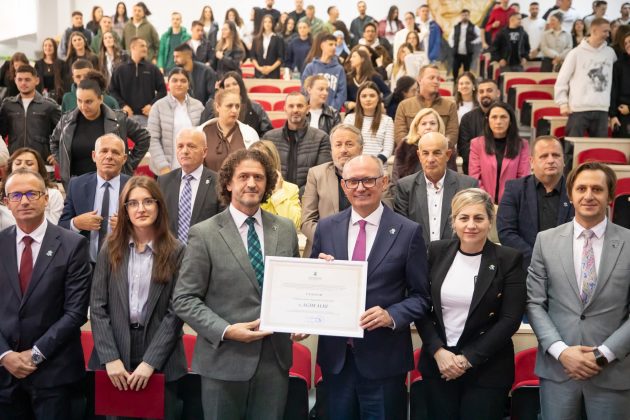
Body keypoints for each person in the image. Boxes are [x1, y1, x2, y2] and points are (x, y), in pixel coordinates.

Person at [173, 148, 300, 420]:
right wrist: (226, 330)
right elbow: (184, 299)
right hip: (223, 360)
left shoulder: (285, 229)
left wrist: (303, 316)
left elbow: (295, 288)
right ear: (228, 183)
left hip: (274, 363)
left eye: (259, 177)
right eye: (243, 176)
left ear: (267, 183)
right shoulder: (204, 233)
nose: (251, 183)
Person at [312, 154, 430, 420]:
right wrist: (320, 274)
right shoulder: (326, 227)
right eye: (353, 181)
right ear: (343, 185)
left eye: (368, 180)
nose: (360, 187)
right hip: (337, 361)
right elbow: (312, 281)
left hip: (384, 362)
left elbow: (421, 297)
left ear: (384, 182)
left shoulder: (408, 231)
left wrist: (391, 315)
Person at [527, 162, 630, 419]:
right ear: (570, 195)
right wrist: (561, 351)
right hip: (559, 370)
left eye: (597, 189)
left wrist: (603, 355)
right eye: (581, 188)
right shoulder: (545, 241)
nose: (588, 195)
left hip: (613, 371)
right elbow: (534, 303)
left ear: (610, 196)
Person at [416, 187, 527, 420]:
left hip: (487, 367)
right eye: (463, 218)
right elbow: (421, 305)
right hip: (439, 364)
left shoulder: (509, 259)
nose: (471, 225)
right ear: (454, 221)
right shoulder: (436, 251)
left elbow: (510, 319)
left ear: (490, 221)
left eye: (479, 218)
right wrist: (438, 351)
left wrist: (467, 359)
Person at [88, 176, 186, 420]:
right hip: (115, 349)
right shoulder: (110, 247)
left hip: (161, 353)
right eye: (133, 203)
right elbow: (98, 307)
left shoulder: (177, 251)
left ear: (159, 205)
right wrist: (110, 357)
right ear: (125, 210)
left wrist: (150, 362)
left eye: (148, 201)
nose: (141, 209)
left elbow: (175, 313)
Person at [0, 169, 91, 420]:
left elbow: (75, 312)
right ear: (7, 202)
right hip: (5, 375)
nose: (24, 201)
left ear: (46, 198)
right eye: (16, 195)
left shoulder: (73, 245)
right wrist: (5, 355)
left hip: (54, 374)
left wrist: (36, 354)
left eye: (32, 193)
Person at [51, 74, 150, 187]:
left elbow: (144, 137)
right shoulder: (66, 120)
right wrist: (64, 162)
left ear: (100, 99)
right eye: (79, 101)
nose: (83, 106)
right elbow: (54, 142)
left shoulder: (118, 119)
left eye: (88, 101)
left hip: (111, 184)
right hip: (77, 185)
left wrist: (127, 164)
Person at [497, 136, 574, 269]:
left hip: (566, 268)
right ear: (532, 162)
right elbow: (506, 233)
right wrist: (536, 261)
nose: (551, 160)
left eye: (556, 155)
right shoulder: (514, 189)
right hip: (524, 268)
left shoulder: (576, 191)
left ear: (564, 160)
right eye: (544, 156)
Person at [394, 132, 478, 244]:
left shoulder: (467, 186)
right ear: (419, 156)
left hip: (455, 252)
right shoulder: (405, 187)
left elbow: (471, 228)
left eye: (437, 153)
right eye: (425, 153)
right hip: (417, 252)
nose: (430, 159)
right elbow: (402, 230)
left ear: (448, 155)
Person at [58, 134, 130, 264]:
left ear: (124, 158)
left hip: (123, 264)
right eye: (104, 151)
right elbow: (61, 227)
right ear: (94, 156)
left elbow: (151, 229)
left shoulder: (135, 187)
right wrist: (76, 223)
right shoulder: (76, 185)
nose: (109, 156)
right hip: (85, 265)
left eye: (115, 152)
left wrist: (128, 227)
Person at [301, 124, 363, 257]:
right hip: (322, 250)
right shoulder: (316, 174)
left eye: (349, 144)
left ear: (361, 149)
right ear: (331, 150)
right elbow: (307, 221)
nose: (343, 150)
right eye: (338, 145)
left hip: (362, 248)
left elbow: (383, 218)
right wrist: (332, 242)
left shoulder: (376, 177)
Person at [555, 18, 616, 139]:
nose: (608, 35)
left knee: (599, 149)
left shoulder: (610, 53)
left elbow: (615, 81)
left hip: (602, 109)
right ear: (594, 30)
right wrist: (563, 103)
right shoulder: (575, 53)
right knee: (571, 147)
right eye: (605, 31)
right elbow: (562, 80)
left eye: (608, 31)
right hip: (578, 109)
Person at [157, 128, 221, 242]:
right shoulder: (163, 182)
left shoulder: (218, 182)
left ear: (204, 152)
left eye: (191, 146)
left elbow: (223, 224)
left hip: (206, 250)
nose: (185, 151)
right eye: (180, 146)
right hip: (171, 251)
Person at [263, 92, 331, 190]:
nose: (295, 110)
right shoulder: (269, 138)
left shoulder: (322, 138)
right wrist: (280, 194)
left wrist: (295, 195)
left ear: (307, 109)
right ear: (285, 109)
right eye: (291, 106)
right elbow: (265, 172)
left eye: (300, 106)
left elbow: (320, 176)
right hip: (276, 194)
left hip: (308, 196)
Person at [469, 102, 530, 204]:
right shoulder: (476, 144)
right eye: (494, 117)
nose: (498, 121)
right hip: (483, 202)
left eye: (503, 117)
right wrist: (488, 202)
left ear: (510, 121)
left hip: (512, 202)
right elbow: (475, 177)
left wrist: (507, 203)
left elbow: (523, 178)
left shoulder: (522, 145)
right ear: (487, 120)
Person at [147, 67, 205, 175]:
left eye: (183, 81)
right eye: (175, 80)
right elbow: (152, 139)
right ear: (168, 84)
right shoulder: (158, 107)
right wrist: (163, 167)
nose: (179, 84)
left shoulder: (198, 106)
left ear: (188, 85)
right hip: (166, 170)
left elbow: (203, 138)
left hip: (193, 169)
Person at [0, 65, 61, 166]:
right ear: (15, 80)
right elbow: (1, 134)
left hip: (42, 164)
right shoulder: (7, 106)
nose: (23, 83)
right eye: (20, 79)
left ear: (37, 80)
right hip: (15, 163)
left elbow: (64, 132)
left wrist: (58, 153)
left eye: (27, 79)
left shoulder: (49, 106)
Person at [394, 65, 458, 159]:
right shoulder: (404, 105)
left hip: (440, 158)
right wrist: (421, 151)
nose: (436, 81)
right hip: (411, 157)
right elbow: (400, 135)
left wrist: (434, 150)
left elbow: (452, 135)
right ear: (419, 80)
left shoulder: (450, 105)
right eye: (431, 78)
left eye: (438, 79)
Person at [109, 37, 167, 128]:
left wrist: (152, 105)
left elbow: (163, 90)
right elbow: (112, 90)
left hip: (147, 118)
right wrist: (123, 106)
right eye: (142, 46)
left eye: (146, 46)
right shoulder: (120, 69)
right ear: (133, 48)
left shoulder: (153, 68)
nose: (145, 48)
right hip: (126, 117)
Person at [198, 90, 260, 172]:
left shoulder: (250, 133)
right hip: (209, 180)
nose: (234, 110)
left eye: (237, 106)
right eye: (229, 106)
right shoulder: (202, 132)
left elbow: (256, 165)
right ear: (218, 107)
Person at [3, 148, 65, 224]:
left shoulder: (53, 194)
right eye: (18, 163)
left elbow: (57, 224)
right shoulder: (2, 193)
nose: (23, 166)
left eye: (29, 164)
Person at [201, 71, 272, 137]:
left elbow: (267, 132)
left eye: (234, 84)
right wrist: (217, 94)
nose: (231, 88)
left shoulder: (256, 107)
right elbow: (204, 127)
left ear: (240, 86)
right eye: (227, 86)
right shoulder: (216, 106)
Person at [249, 140, 301, 229]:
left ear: (273, 162)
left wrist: (278, 193)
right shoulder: (247, 188)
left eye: (263, 161)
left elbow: (295, 224)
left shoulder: (290, 189)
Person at [344, 81, 394, 164]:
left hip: (378, 166)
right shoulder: (349, 119)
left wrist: (374, 163)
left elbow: (388, 149)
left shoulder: (387, 121)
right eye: (364, 96)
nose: (368, 99)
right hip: (355, 165)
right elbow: (347, 145)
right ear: (359, 99)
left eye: (372, 96)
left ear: (378, 99)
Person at [458, 79, 500, 175]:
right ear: (477, 95)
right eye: (481, 91)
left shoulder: (507, 116)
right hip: (474, 172)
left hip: (501, 170)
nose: (485, 94)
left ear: (498, 93)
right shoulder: (467, 118)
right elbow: (464, 150)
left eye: (489, 90)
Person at [393, 108, 446, 182]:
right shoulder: (404, 147)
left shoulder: (446, 147)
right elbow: (396, 180)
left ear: (439, 127)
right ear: (416, 128)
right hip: (408, 188)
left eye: (432, 123)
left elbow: (452, 179)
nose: (428, 127)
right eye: (424, 124)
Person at [302, 33, 347, 110]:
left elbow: (342, 93)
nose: (334, 47)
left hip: (332, 111)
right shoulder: (310, 67)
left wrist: (331, 108)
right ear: (322, 46)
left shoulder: (339, 69)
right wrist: (311, 105)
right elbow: (304, 89)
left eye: (335, 45)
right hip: (312, 109)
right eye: (330, 44)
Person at [449, 9, 481, 81]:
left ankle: (465, 82)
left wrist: (473, 42)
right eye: (463, 15)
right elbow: (450, 38)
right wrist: (453, 45)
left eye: (466, 15)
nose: (464, 17)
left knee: (466, 71)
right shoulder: (456, 27)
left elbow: (480, 36)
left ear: (469, 16)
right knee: (455, 69)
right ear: (460, 16)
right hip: (457, 53)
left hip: (467, 53)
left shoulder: (473, 27)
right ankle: (455, 82)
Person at [250, 14, 285, 79]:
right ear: (262, 23)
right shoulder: (256, 39)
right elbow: (252, 57)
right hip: (259, 72)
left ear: (273, 24)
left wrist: (271, 68)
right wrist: (259, 68)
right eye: (265, 22)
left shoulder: (278, 39)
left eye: (269, 22)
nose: (267, 24)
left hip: (273, 72)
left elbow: (280, 58)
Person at [610, 31, 630, 137]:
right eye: (625, 43)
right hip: (622, 115)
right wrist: (613, 115)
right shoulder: (618, 65)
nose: (627, 45)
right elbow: (614, 91)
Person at [34, 38, 67, 103]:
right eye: (45, 45)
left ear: (55, 47)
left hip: (58, 98)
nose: (48, 48)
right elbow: (36, 82)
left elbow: (65, 82)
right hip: (42, 97)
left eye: (50, 45)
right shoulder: (38, 64)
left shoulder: (61, 63)